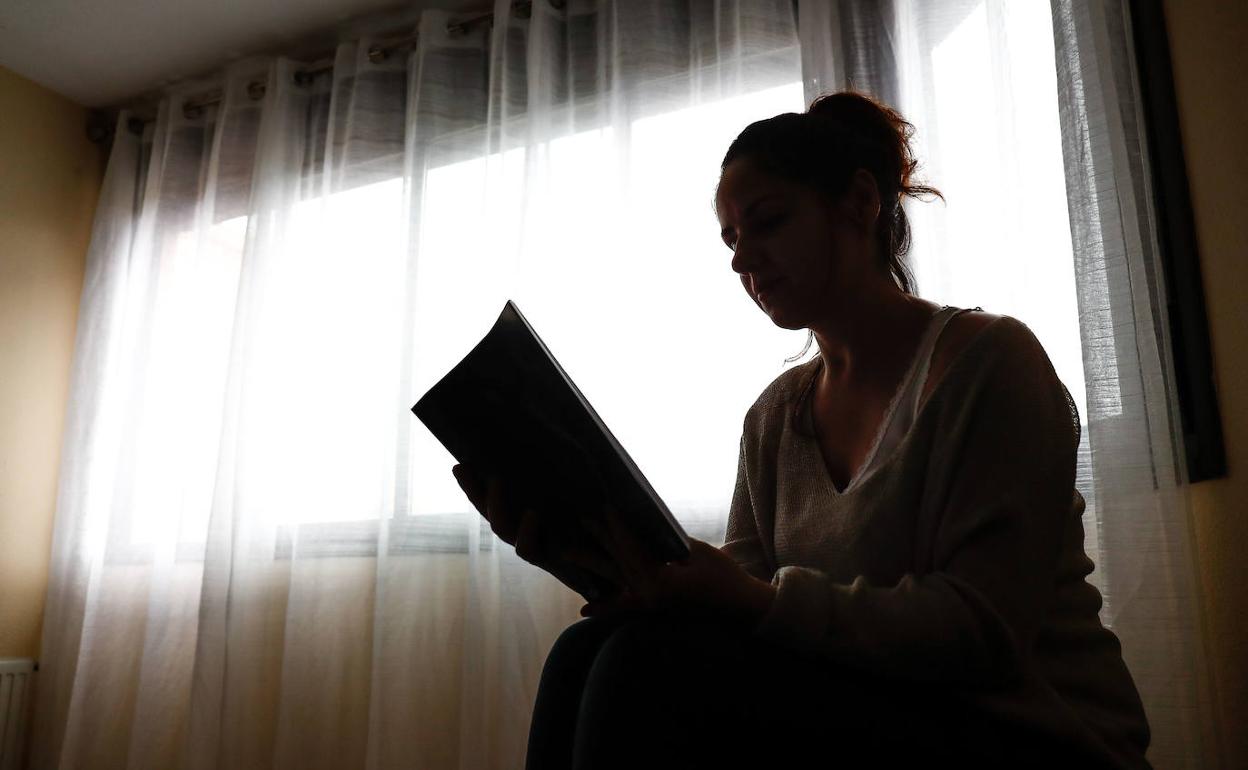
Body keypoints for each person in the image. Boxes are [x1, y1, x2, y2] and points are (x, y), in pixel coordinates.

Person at [452, 91, 1152, 769]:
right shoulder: (774, 420)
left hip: (1027, 734)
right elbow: (734, 618)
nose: (740, 257)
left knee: (645, 665)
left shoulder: (987, 364)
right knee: (588, 652)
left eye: (768, 221)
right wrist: (589, 557)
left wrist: (747, 598)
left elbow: (981, 634)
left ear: (858, 202)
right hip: (882, 717)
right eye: (730, 238)